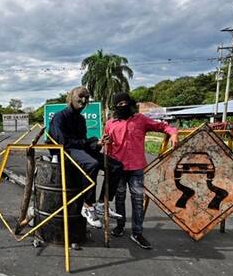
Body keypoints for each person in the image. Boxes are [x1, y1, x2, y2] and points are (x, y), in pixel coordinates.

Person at [104, 92, 178, 249]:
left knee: (138, 200)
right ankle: (120, 226)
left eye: (126, 103)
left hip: (136, 167)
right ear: (115, 107)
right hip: (118, 167)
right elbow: (106, 145)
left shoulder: (141, 120)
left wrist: (173, 134)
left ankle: (137, 232)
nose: (123, 106)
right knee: (119, 198)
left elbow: (163, 126)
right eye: (120, 104)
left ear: (130, 103)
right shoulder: (110, 123)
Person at [48, 86, 123, 229]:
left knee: (116, 166)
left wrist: (97, 143)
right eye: (81, 96)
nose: (84, 100)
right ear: (71, 97)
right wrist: (88, 142)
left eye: (87, 97)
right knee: (92, 163)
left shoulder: (81, 119)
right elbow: (64, 142)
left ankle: (102, 203)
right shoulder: (59, 117)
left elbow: (83, 142)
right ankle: (88, 206)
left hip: (78, 149)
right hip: (64, 151)